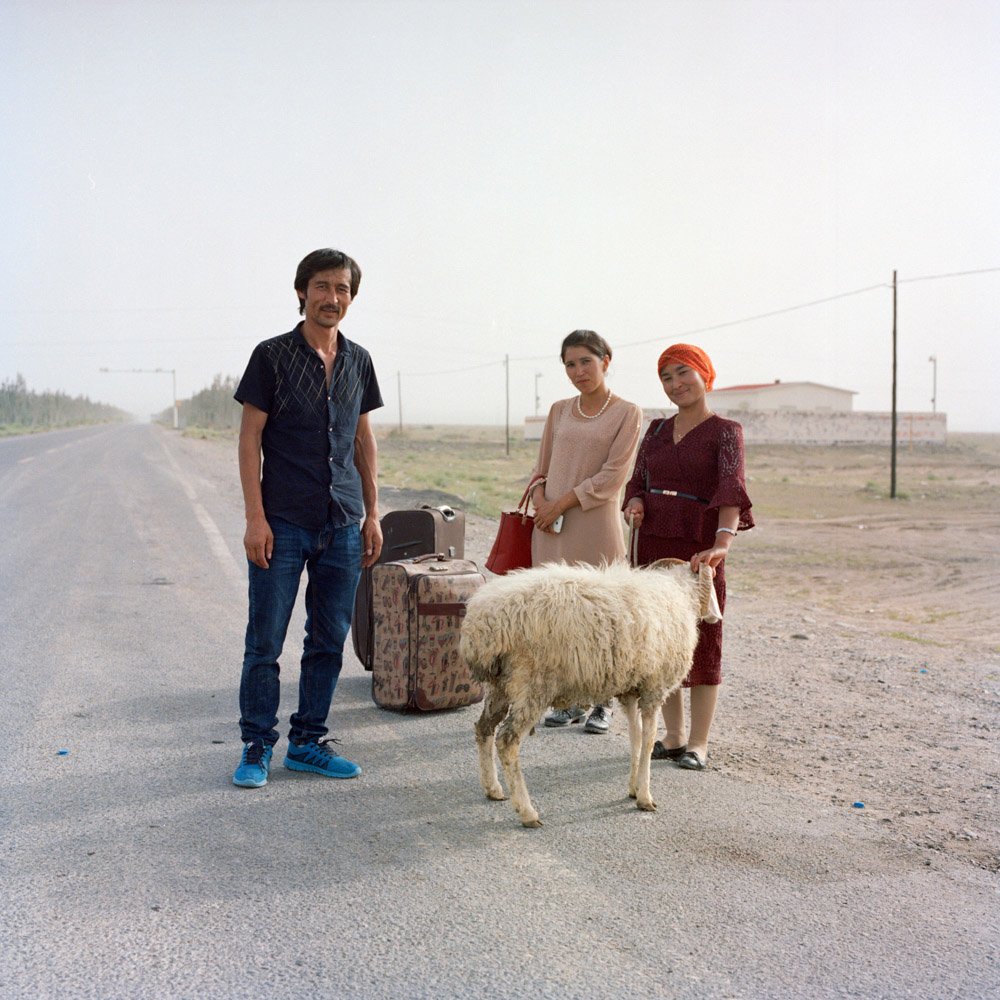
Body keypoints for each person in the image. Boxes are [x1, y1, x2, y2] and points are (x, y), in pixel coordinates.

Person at [232, 248, 383, 789]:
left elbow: (362, 438)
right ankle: (255, 745)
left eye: (342, 289)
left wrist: (372, 512)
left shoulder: (359, 360)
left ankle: (308, 742)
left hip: (343, 521)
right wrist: (256, 517)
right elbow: (250, 439)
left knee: (328, 640)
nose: (332, 298)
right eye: (322, 286)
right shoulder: (271, 356)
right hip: (283, 521)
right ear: (302, 292)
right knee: (265, 641)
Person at [622, 343, 753, 770]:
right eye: (666, 377)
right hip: (653, 542)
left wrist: (723, 543)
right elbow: (637, 480)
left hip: (699, 550)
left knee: (703, 641)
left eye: (683, 373)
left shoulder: (725, 431)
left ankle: (699, 743)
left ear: (704, 374)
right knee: (661, 643)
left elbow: (731, 490)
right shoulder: (656, 430)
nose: (676, 384)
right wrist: (635, 503)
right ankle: (673, 735)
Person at [529, 330, 643, 734]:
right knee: (560, 614)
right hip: (551, 527)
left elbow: (614, 476)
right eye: (570, 364)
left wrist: (561, 503)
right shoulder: (559, 410)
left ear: (606, 361)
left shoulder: (627, 412)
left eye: (586, 362)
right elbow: (541, 466)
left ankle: (604, 702)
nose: (578, 372)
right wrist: (542, 500)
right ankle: (571, 698)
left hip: (595, 525)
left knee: (603, 615)